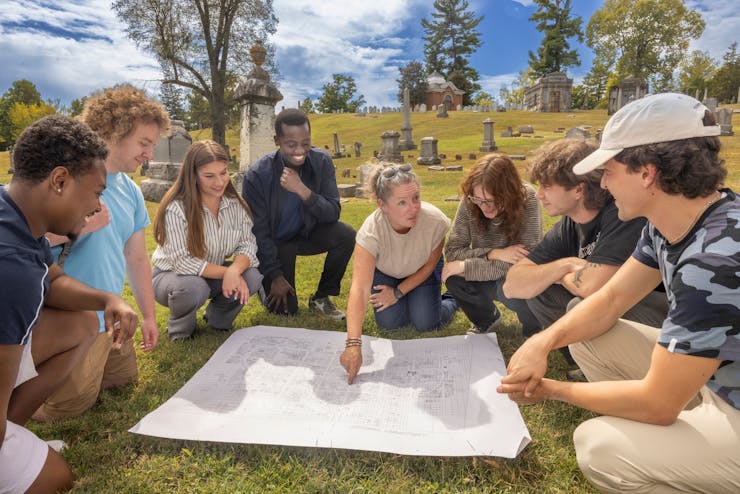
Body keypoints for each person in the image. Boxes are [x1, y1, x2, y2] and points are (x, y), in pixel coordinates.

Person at [498, 93, 740, 493]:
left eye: (608, 172)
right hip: (717, 377)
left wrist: (550, 390)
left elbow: (658, 405)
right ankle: (683, 439)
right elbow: (609, 301)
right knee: (588, 335)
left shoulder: (712, 261)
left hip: (732, 407)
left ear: (647, 174)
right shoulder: (670, 223)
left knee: (598, 447)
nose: (603, 186)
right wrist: (543, 342)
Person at [1, 115, 138, 493]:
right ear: (59, 181)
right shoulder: (12, 270)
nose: (96, 207)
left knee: (81, 322)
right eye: (95, 192)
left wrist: (107, 298)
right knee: (57, 478)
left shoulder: (14, 212)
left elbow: (54, 279)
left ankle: (14, 431)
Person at [33, 86, 170, 421]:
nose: (149, 154)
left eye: (152, 145)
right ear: (112, 133)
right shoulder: (60, 176)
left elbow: (137, 258)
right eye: (143, 143)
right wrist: (75, 229)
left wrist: (149, 316)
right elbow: (18, 238)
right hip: (67, 316)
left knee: (123, 380)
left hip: (109, 319)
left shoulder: (131, 190)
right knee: (66, 407)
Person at [502, 138, 668, 365]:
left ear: (578, 189)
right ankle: (584, 361)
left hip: (663, 317)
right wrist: (566, 265)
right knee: (541, 288)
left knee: (578, 303)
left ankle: (622, 364)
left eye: (547, 186)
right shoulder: (569, 225)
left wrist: (561, 276)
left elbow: (593, 286)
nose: (538, 195)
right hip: (619, 307)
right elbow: (511, 285)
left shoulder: (623, 212)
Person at [340, 162, 458, 384]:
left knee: (425, 323)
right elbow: (359, 288)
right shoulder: (371, 231)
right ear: (382, 204)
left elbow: (429, 267)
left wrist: (397, 293)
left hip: (421, 271)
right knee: (390, 323)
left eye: (416, 198)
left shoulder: (435, 221)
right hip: (387, 273)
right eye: (402, 202)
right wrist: (353, 344)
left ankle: (451, 299)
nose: (413, 207)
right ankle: (413, 301)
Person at [242, 108, 355, 319]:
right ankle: (263, 285)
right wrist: (274, 275)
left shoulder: (321, 162)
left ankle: (322, 297)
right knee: (286, 311)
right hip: (277, 242)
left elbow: (333, 212)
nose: (300, 151)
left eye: (305, 143)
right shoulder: (257, 176)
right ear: (277, 140)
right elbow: (258, 232)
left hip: (307, 233)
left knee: (346, 234)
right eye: (291, 144)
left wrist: (303, 191)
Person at [152, 140, 263, 340]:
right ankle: (180, 331)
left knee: (252, 277)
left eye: (223, 172)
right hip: (171, 276)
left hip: (211, 273)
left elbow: (247, 244)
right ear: (193, 176)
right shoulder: (177, 208)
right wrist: (228, 273)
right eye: (209, 176)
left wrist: (235, 270)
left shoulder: (236, 205)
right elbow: (182, 262)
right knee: (194, 287)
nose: (220, 182)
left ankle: (217, 321)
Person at [442, 154, 542, 335]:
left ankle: (533, 329)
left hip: (515, 275)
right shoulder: (470, 200)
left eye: (491, 200)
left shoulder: (529, 199)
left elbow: (527, 259)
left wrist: (467, 266)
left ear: (510, 192)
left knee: (516, 282)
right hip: (490, 268)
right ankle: (487, 319)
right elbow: (453, 250)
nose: (484, 207)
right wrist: (494, 253)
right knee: (453, 277)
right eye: (478, 199)